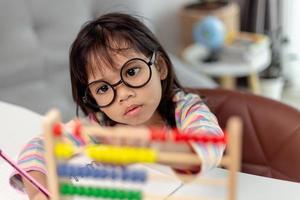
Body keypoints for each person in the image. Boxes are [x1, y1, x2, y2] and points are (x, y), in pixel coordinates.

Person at [9, 13, 224, 200]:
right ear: (92, 97)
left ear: (159, 67)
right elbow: (41, 146)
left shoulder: (186, 109)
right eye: (103, 88)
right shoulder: (101, 125)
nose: (123, 94)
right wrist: (38, 190)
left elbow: (209, 143)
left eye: (131, 72)